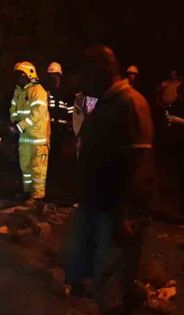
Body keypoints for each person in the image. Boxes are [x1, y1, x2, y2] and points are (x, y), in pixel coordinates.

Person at [65, 46, 156, 314]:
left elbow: (140, 162)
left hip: (115, 210)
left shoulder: (130, 103)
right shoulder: (105, 102)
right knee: (90, 273)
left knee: (111, 287)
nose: (82, 83)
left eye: (86, 76)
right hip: (97, 203)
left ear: (100, 72)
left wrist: (124, 215)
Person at [9, 61, 50, 207]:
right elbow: (13, 109)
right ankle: (27, 192)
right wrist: (13, 121)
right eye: (17, 76)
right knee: (25, 167)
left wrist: (19, 126)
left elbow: (36, 114)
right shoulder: (18, 91)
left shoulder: (38, 91)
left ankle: (37, 197)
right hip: (25, 137)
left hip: (38, 138)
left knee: (37, 168)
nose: (18, 79)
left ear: (29, 75)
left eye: (21, 75)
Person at [44, 62, 76, 204]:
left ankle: (60, 193)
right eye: (51, 76)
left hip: (62, 133)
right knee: (48, 162)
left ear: (60, 76)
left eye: (56, 75)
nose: (54, 78)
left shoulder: (67, 93)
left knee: (61, 163)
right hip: (49, 130)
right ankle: (49, 193)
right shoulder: (45, 92)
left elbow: (71, 111)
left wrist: (70, 125)